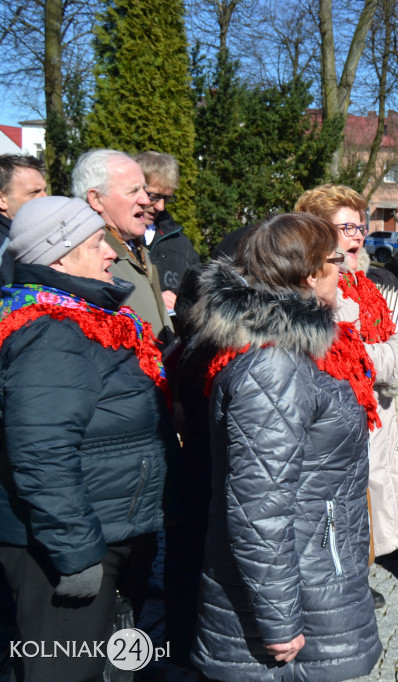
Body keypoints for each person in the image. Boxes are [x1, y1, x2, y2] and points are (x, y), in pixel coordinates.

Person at [188, 213, 381, 680]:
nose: (346, 270)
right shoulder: (273, 365)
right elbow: (259, 506)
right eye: (337, 259)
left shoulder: (291, 349)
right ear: (312, 274)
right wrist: (278, 621)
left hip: (316, 563)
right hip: (298, 586)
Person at [0, 196, 178, 681]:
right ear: (60, 255)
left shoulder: (85, 317)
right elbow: (41, 451)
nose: (109, 254)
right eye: (97, 242)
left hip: (111, 528)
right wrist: (76, 554)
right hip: (68, 546)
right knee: (61, 671)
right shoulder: (51, 331)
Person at [294, 184, 398, 609]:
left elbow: (371, 345)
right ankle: (340, 584)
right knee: (340, 508)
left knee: (369, 500)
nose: (358, 236)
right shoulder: (315, 286)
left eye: (361, 225)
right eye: (347, 227)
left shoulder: (367, 283)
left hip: (377, 412)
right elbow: (331, 355)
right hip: (341, 421)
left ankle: (357, 572)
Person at [72, 149, 175, 347]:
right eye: (133, 191)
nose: (146, 200)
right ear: (96, 199)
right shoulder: (85, 262)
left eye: (144, 190)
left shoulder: (137, 248)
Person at [133, 151, 200, 311]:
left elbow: (198, 296)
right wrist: (152, 300)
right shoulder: (109, 238)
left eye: (167, 198)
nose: (160, 207)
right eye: (154, 196)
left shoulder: (180, 244)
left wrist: (182, 306)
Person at [0, 154, 48, 285]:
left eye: (45, 190)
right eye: (34, 192)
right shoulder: (3, 249)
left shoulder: (29, 237)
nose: (45, 198)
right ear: (2, 200)